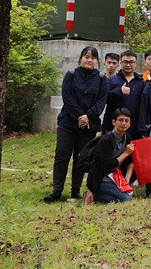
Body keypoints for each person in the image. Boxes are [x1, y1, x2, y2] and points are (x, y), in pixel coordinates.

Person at [45, 46, 108, 202]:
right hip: (68, 123)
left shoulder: (101, 79)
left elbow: (101, 102)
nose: (89, 60)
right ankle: (57, 191)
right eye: (86, 57)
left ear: (97, 61)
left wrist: (88, 116)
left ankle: (75, 191)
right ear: (81, 58)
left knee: (81, 158)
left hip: (88, 127)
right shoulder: (71, 75)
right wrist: (81, 116)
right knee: (62, 156)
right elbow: (67, 99)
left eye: (93, 58)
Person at [85, 107, 135, 204]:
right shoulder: (106, 140)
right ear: (113, 122)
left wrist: (127, 178)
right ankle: (94, 195)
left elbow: (130, 161)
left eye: (126, 121)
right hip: (103, 179)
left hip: (118, 178)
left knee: (123, 198)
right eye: (120, 120)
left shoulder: (128, 137)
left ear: (130, 123)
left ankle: (95, 196)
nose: (123, 123)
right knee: (126, 199)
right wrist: (125, 153)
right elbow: (108, 164)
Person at [104, 50, 146, 140]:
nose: (128, 65)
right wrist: (119, 91)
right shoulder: (111, 80)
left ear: (136, 63)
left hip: (133, 128)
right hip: (112, 127)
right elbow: (104, 99)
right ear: (120, 63)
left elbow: (144, 107)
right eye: (125, 62)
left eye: (131, 62)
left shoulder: (142, 83)